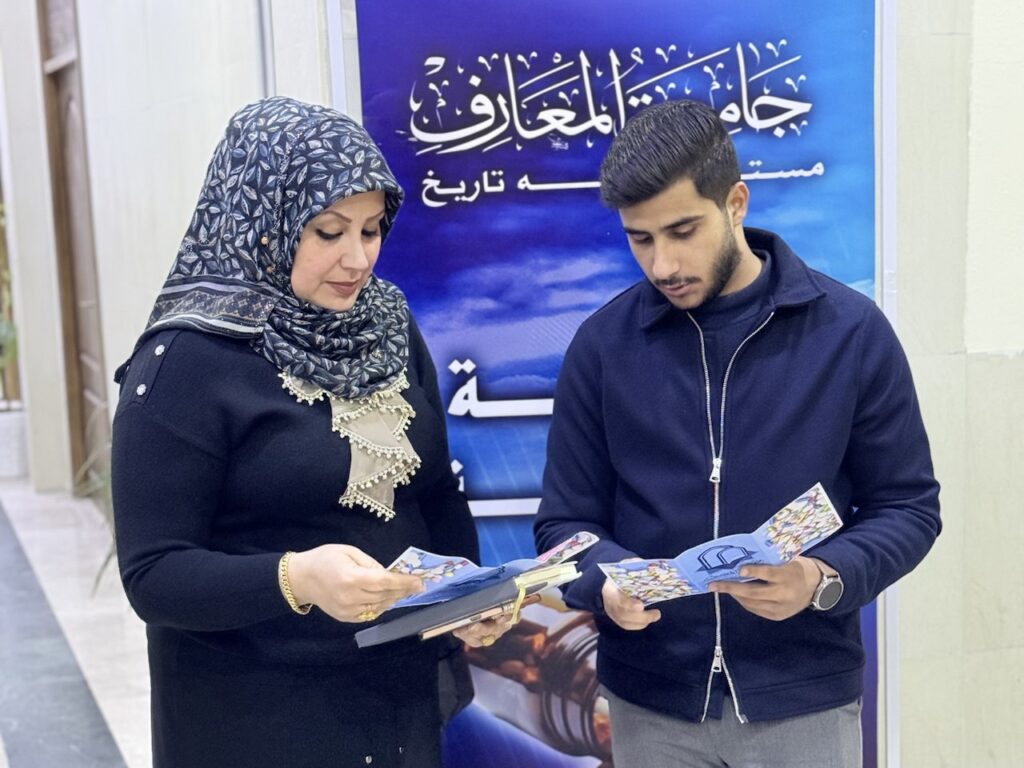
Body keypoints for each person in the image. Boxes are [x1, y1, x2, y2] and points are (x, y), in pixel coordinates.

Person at [533, 100, 941, 767]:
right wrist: (605, 585)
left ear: (736, 204)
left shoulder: (849, 333)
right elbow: (564, 525)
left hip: (803, 697)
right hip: (651, 704)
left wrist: (821, 576)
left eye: (683, 231)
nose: (663, 264)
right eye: (640, 239)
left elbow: (908, 507)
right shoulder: (602, 347)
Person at [111, 96, 509, 768]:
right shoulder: (186, 361)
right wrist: (296, 579)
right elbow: (154, 573)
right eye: (328, 232)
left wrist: (464, 596)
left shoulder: (386, 324)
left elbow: (435, 491)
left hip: (394, 697)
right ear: (265, 225)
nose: (357, 258)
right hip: (258, 715)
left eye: (372, 230)